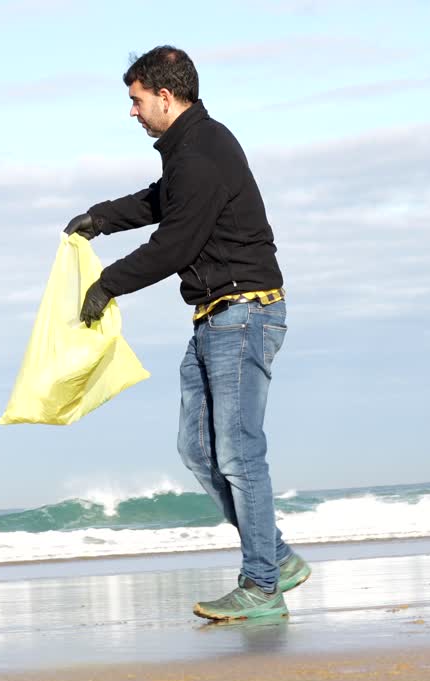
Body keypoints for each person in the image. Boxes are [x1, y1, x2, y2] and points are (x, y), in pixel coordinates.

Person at [63, 46, 310, 621]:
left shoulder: (201, 152)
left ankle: (262, 584)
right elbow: (160, 201)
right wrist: (99, 218)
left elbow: (176, 243)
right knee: (198, 450)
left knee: (240, 453)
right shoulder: (189, 150)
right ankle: (276, 558)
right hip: (215, 317)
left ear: (165, 97)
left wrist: (106, 285)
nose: (133, 111)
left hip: (243, 315)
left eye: (137, 99)